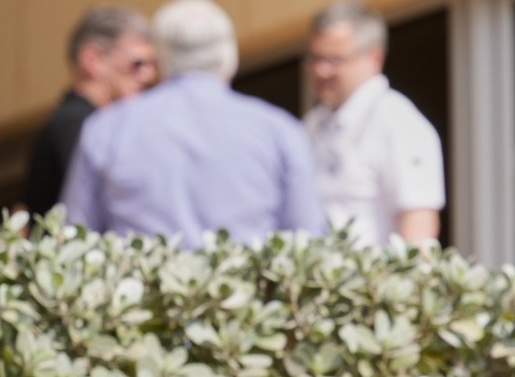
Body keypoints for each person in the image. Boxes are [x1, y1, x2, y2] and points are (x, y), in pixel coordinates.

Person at [61, 0, 325, 248]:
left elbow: (76, 241)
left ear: (161, 59)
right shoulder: (280, 131)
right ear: (229, 57)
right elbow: (308, 242)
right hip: (244, 295)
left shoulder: (106, 129)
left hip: (142, 295)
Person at [304, 2, 445, 248]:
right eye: (316, 58)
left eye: (334, 59)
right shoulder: (312, 124)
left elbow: (418, 227)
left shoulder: (397, 121)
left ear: (374, 57)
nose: (320, 70)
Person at [22, 6, 156, 217]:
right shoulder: (77, 123)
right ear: (93, 60)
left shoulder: (73, 121)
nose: (148, 75)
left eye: (152, 65)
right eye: (137, 64)